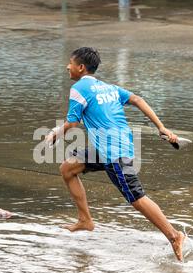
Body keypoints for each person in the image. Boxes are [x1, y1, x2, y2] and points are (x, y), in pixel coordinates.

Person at [46, 47, 185, 261]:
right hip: (110, 147)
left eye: (70, 63)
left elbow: (73, 123)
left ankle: (174, 236)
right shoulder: (107, 87)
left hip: (114, 152)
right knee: (67, 168)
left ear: (81, 67)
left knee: (136, 198)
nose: (67, 66)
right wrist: (162, 127)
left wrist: (56, 133)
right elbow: (137, 99)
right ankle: (85, 220)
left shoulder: (79, 89)